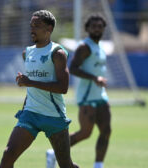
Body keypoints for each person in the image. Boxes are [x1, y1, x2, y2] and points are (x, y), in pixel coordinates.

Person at [0, 10, 78, 168]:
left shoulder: (58, 53)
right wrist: (24, 83)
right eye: (31, 25)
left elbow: (63, 88)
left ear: (48, 29)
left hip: (53, 116)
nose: (32, 29)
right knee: (8, 154)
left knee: (66, 165)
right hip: (30, 114)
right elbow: (30, 84)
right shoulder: (27, 53)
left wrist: (30, 82)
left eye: (37, 26)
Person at [46, 13, 111, 168]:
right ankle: (53, 153)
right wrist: (95, 78)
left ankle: (98, 165)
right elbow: (73, 68)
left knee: (106, 130)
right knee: (85, 133)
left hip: (101, 95)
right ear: (87, 28)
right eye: (93, 26)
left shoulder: (100, 47)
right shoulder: (84, 47)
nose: (97, 29)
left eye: (100, 26)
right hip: (87, 96)